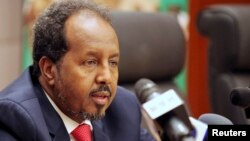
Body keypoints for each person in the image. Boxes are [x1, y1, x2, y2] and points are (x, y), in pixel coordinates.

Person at [0, 0, 155, 141]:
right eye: (91, 62)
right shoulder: (13, 118)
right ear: (48, 70)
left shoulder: (123, 108)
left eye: (113, 62)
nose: (106, 77)